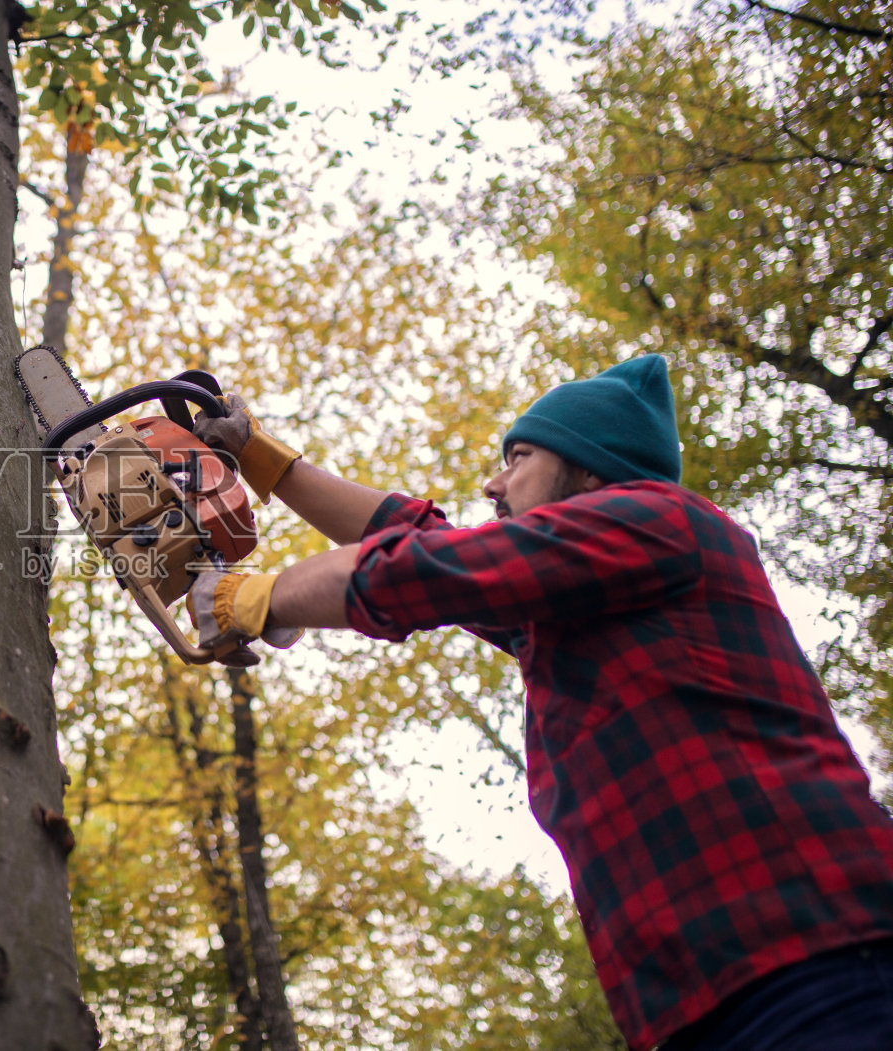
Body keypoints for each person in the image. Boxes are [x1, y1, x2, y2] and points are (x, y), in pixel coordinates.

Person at [188, 354, 893, 1051]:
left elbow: (427, 571)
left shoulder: (659, 520)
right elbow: (424, 539)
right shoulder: (581, 605)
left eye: (519, 456)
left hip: (821, 960)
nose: (494, 483)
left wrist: (253, 598)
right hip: (715, 998)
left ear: (590, 468)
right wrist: (261, 458)